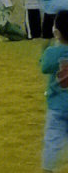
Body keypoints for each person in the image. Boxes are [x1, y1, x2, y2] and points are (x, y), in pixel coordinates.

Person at [40, 10, 68, 172]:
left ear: (56, 32)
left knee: (52, 141)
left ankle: (48, 169)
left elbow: (44, 67)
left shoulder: (52, 53)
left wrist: (48, 48)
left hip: (57, 106)